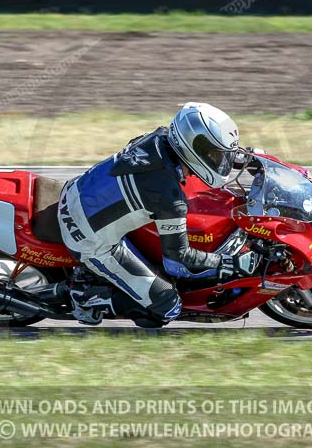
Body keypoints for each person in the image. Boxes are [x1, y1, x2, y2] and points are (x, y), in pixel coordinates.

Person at [57, 102, 258, 326]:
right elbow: (178, 258)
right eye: (216, 154)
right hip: (88, 239)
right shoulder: (168, 198)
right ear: (194, 148)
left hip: (77, 191)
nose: (221, 161)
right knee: (168, 306)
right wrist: (227, 262)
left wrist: (247, 158)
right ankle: (85, 297)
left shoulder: (160, 137)